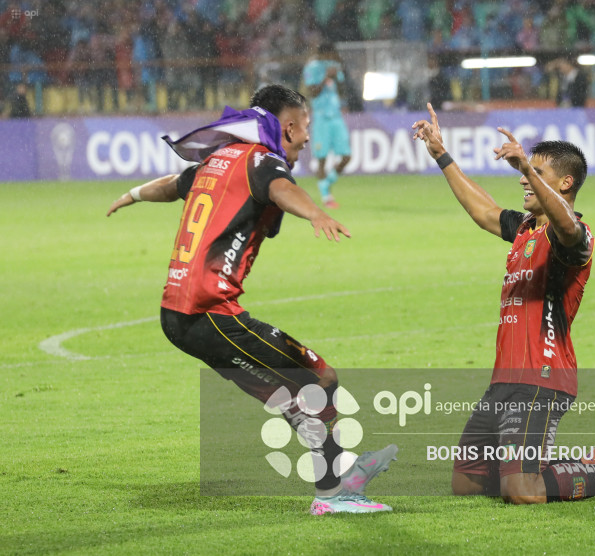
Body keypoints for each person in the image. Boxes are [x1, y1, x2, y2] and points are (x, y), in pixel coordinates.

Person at [107, 85, 396, 515]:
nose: (307, 139)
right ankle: (334, 494)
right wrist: (315, 212)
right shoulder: (261, 159)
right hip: (210, 313)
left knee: (294, 403)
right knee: (321, 378)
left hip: (177, 316)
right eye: (305, 128)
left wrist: (131, 195)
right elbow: (280, 188)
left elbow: (172, 185)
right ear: (289, 126)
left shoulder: (218, 159)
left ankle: (342, 477)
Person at [412, 104, 595, 504]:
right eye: (525, 173)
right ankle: (579, 464)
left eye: (536, 173)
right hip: (504, 380)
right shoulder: (526, 229)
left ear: (565, 182)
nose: (524, 182)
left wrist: (526, 171)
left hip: (540, 380)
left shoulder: (573, 238)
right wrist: (441, 155)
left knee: (522, 491)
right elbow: (483, 210)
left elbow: (566, 226)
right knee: (469, 483)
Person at [302, 42, 351, 208]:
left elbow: (343, 90)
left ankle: (326, 183)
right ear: (323, 54)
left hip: (336, 116)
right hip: (321, 118)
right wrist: (326, 78)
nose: (332, 59)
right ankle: (326, 197)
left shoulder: (335, 66)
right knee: (321, 159)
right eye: (329, 55)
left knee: (346, 157)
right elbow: (312, 93)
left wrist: (337, 77)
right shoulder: (311, 68)